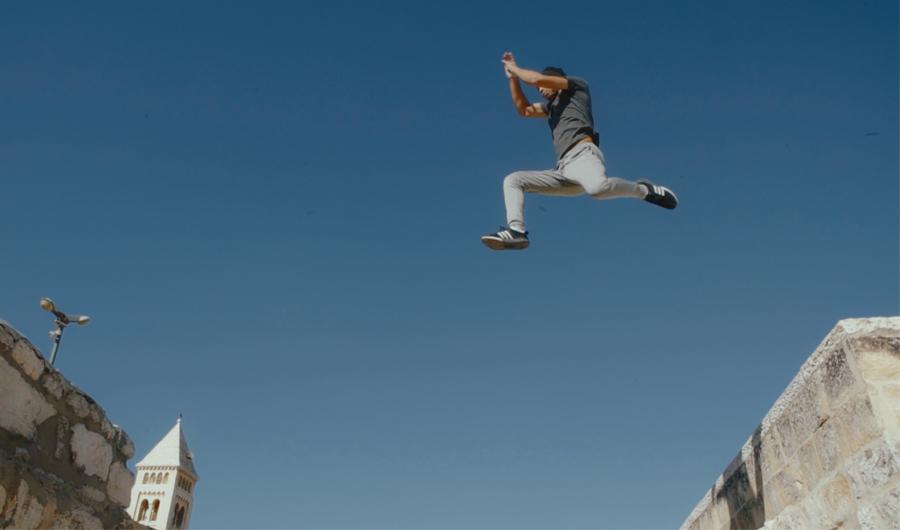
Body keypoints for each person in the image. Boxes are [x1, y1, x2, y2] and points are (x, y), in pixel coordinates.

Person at [481, 52, 679, 251]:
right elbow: (523, 110)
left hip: (583, 155)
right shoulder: (551, 109)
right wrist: (513, 79)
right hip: (563, 171)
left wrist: (515, 68)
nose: (540, 89)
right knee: (513, 180)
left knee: (598, 189)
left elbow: (536, 79)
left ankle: (644, 190)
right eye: (539, 88)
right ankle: (517, 231)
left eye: (544, 86)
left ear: (556, 81)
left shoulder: (577, 88)